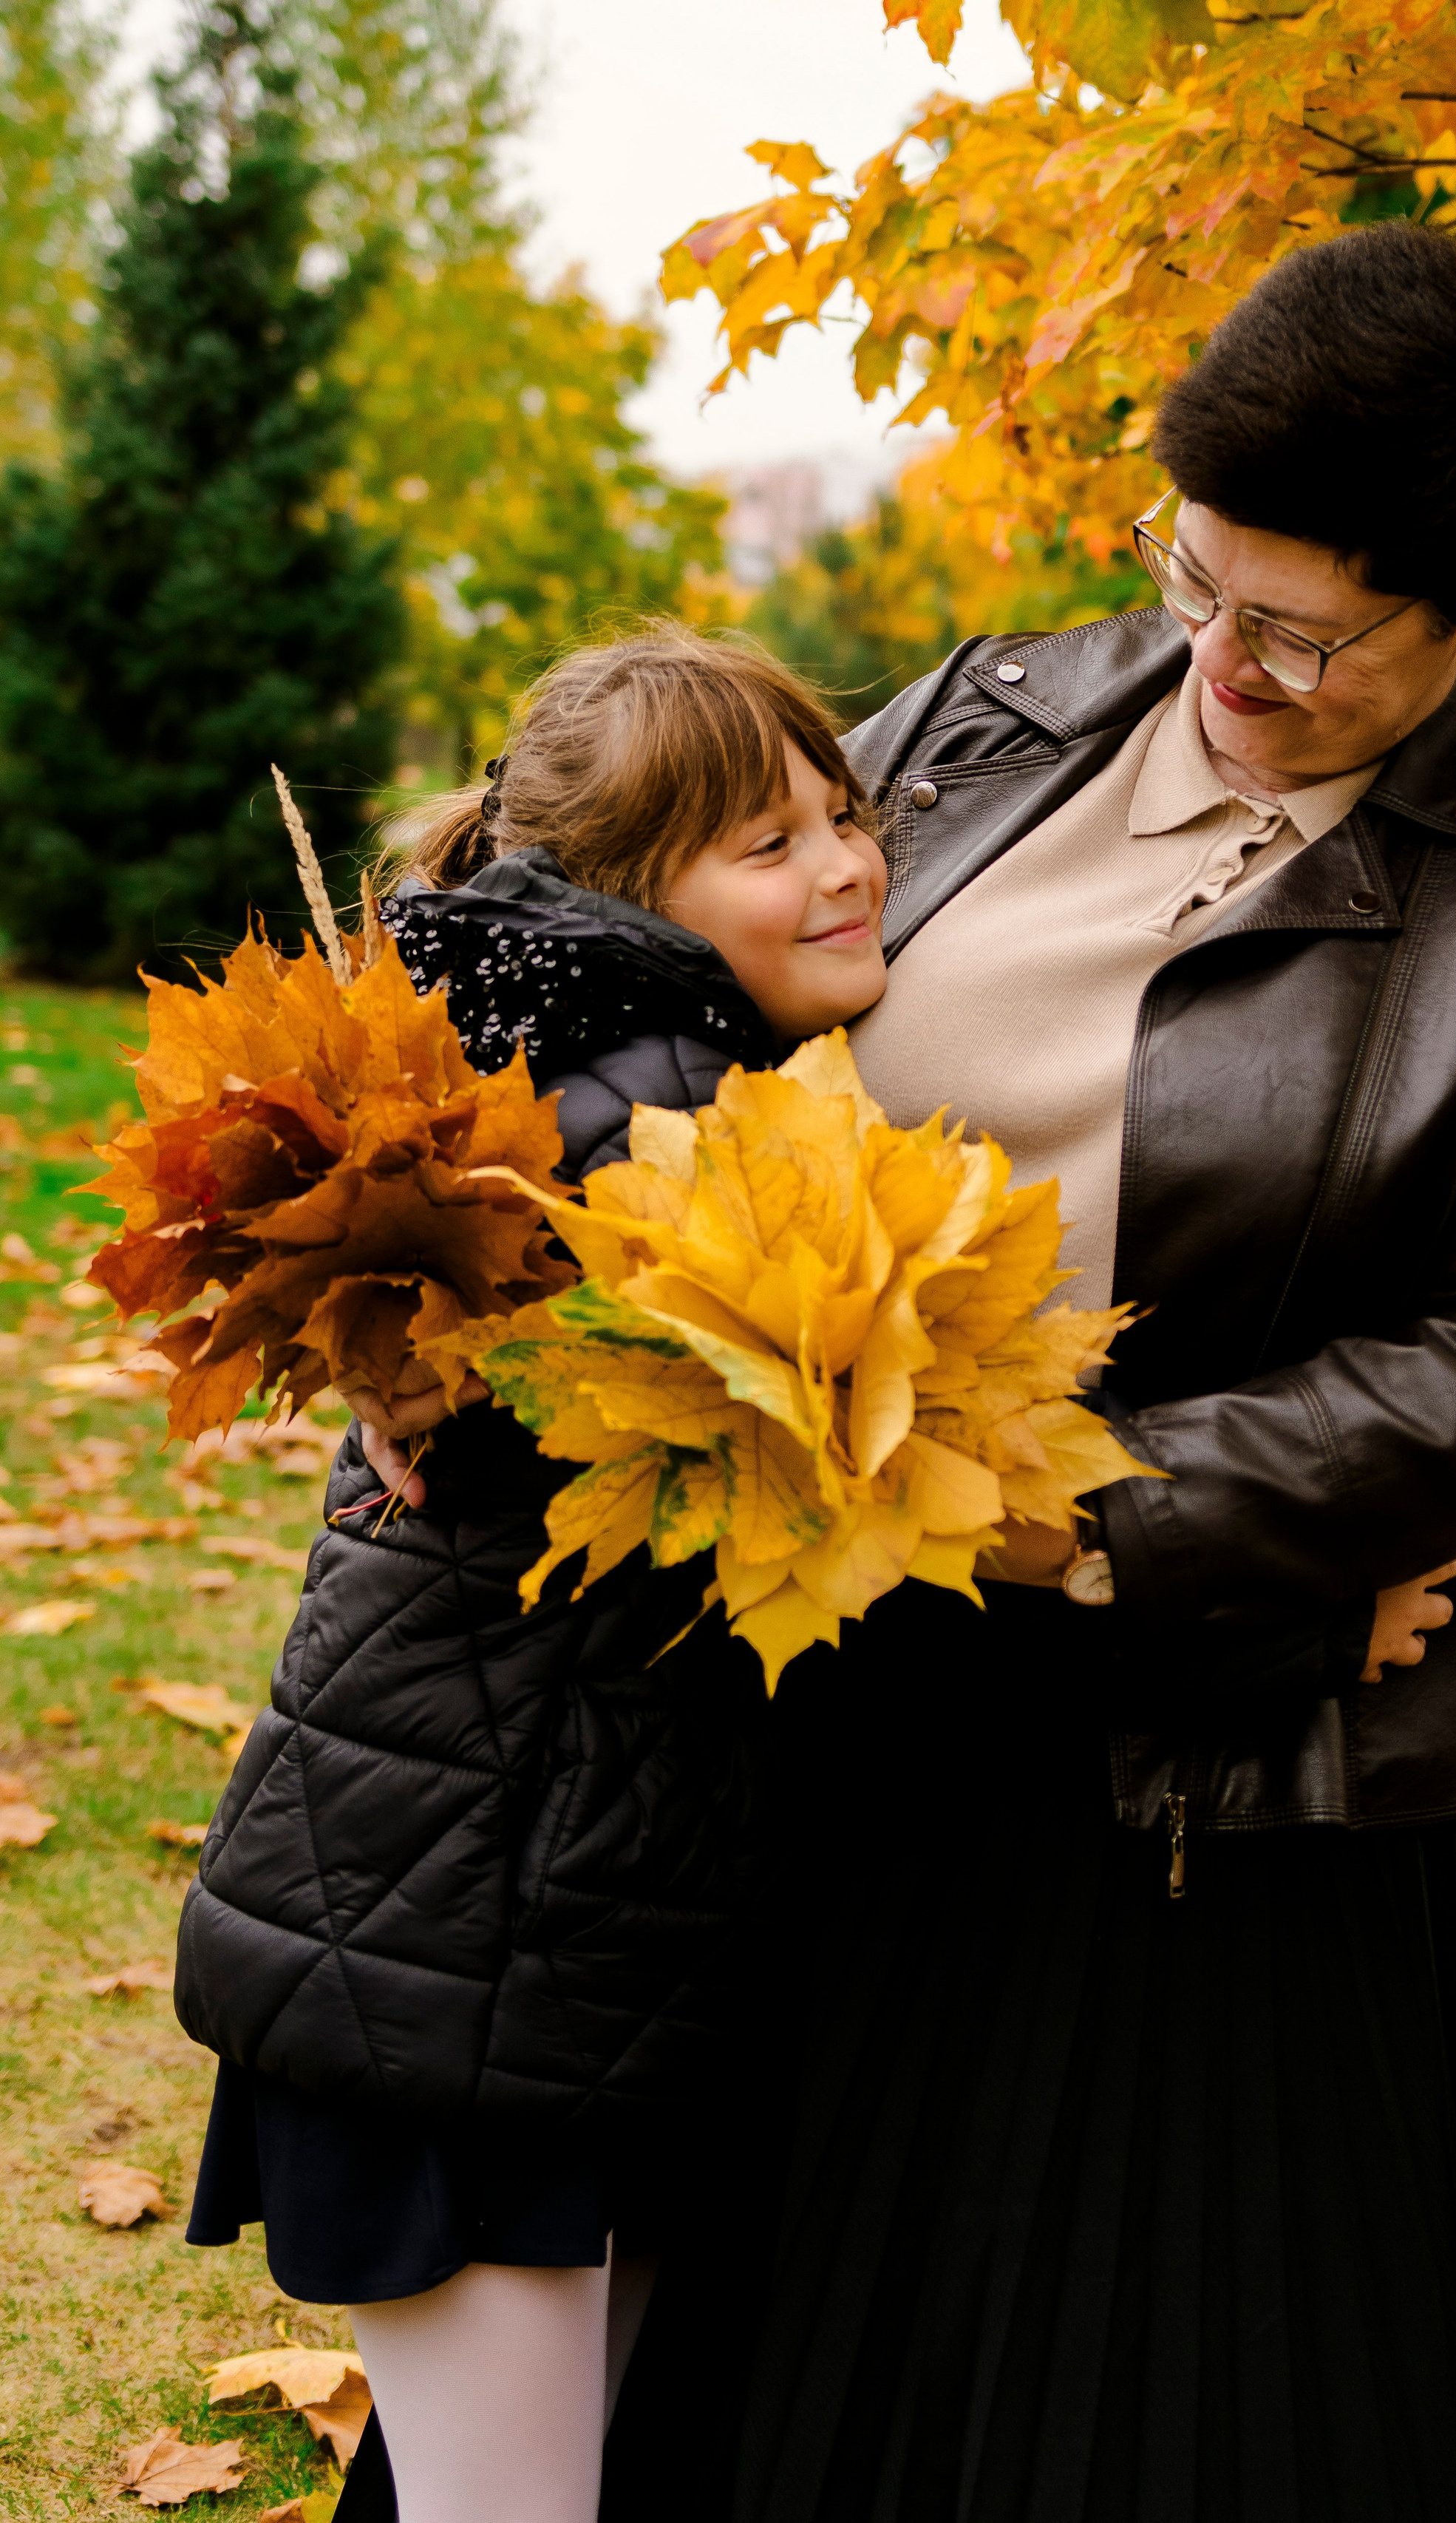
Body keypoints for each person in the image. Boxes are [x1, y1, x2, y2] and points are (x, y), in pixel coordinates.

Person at [728, 222, 1456, 2523]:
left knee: (1188, 2402)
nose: (1226, 668)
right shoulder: (984, 710)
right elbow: (677, 993)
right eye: (1199, 585)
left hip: (1221, 1780)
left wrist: (1079, 1511)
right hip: (814, 1690)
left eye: (1304, 630)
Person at [173, 628, 894, 2523]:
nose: (840, 866)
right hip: (469, 1982)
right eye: (765, 842)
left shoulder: (610, 1074)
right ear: (617, 901)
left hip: (549, 1959)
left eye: (844, 811)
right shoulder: (639, 1119)